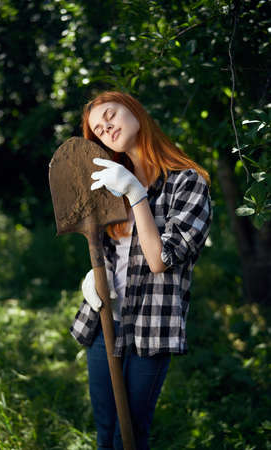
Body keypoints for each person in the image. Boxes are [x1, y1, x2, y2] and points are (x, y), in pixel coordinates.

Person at [70, 91, 213, 450]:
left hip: (150, 328)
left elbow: (159, 260)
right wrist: (92, 277)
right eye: (99, 129)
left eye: (111, 115)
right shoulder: (110, 182)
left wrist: (137, 194)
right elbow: (104, 251)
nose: (107, 128)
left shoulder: (189, 182)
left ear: (135, 110)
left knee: (129, 434)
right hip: (105, 323)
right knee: (105, 429)